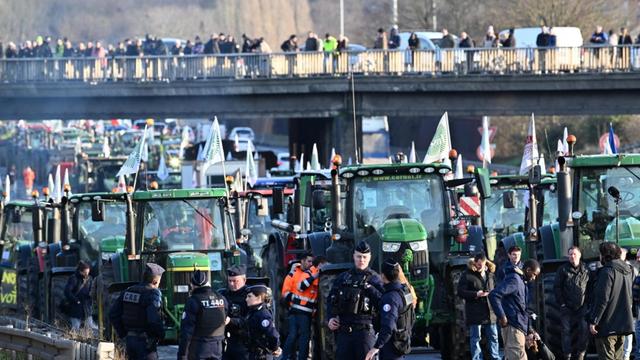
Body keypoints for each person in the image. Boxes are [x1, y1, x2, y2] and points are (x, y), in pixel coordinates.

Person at [327, 240, 384, 360]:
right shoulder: (343, 278)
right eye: (359, 256)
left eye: (364, 257)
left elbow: (383, 302)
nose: (361, 260)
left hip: (365, 332)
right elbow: (331, 300)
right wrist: (330, 318)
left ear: (369, 258)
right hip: (344, 333)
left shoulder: (375, 279)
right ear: (353, 256)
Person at [587, 242, 633, 359]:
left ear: (605, 255)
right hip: (622, 326)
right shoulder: (628, 271)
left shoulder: (606, 272)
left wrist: (594, 321)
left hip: (606, 326)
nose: (599, 257)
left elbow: (602, 299)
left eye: (601, 254)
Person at [109, 263, 165, 360]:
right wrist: (160, 334)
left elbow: (113, 314)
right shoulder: (153, 293)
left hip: (130, 341)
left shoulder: (128, 291)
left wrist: (123, 333)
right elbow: (153, 320)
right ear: (155, 281)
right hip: (146, 342)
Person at [489, 259, 541, 360]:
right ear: (528, 270)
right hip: (513, 327)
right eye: (534, 274)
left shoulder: (521, 281)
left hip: (517, 326)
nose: (534, 278)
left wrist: (530, 330)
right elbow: (494, 295)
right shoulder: (515, 280)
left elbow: (521, 308)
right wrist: (502, 316)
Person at [365, 260, 415, 360]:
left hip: (391, 347)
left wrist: (376, 347)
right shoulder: (406, 291)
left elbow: (388, 326)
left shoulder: (390, 298)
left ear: (383, 276)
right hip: (402, 341)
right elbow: (411, 315)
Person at [178, 270, 229, 360]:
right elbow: (224, 319)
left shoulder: (193, 301)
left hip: (198, 349)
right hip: (218, 348)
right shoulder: (221, 298)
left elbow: (186, 332)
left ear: (193, 285)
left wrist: (182, 355)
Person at [457, 253, 499, 360]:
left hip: (490, 312)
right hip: (475, 311)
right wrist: (476, 294)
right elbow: (461, 292)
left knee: (494, 337)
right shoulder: (467, 275)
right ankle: (476, 358)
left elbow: (497, 290)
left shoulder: (491, 275)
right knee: (475, 338)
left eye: (482, 264)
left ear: (485, 263)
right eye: (478, 264)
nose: (480, 267)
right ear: (475, 263)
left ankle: (495, 357)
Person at [280, 253, 319, 360]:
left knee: (298, 336)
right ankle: (286, 357)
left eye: (312, 262)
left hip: (304, 310)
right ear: (302, 261)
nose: (311, 264)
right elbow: (285, 293)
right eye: (309, 261)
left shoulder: (311, 273)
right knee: (294, 336)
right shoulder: (292, 275)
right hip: (295, 310)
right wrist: (297, 300)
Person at [553, 246, 589, 360]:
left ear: (579, 255)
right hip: (567, 306)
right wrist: (562, 303)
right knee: (565, 331)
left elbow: (591, 287)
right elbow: (557, 287)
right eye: (570, 254)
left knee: (584, 329)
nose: (572, 256)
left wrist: (588, 302)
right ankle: (567, 355)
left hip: (583, 307)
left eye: (574, 254)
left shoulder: (586, 270)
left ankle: (581, 354)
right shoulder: (562, 270)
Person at [219, 265, 250, 360]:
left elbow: (251, 319)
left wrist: (231, 321)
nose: (232, 284)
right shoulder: (222, 294)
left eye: (235, 281)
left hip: (243, 341)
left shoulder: (250, 295)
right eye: (229, 281)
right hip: (225, 340)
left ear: (244, 280)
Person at [245, 285, 281, 360]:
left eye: (249, 296)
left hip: (262, 355)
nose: (246, 299)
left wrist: (275, 348)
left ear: (258, 297)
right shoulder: (253, 312)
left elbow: (273, 335)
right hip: (254, 354)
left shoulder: (263, 314)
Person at [64, 260, 94, 331]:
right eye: (85, 272)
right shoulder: (73, 278)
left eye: (88, 272)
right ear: (81, 271)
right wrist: (76, 300)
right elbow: (67, 292)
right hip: (76, 307)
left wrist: (91, 296)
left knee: (89, 327)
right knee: (76, 328)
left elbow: (91, 290)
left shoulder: (89, 279)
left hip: (87, 308)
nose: (87, 274)